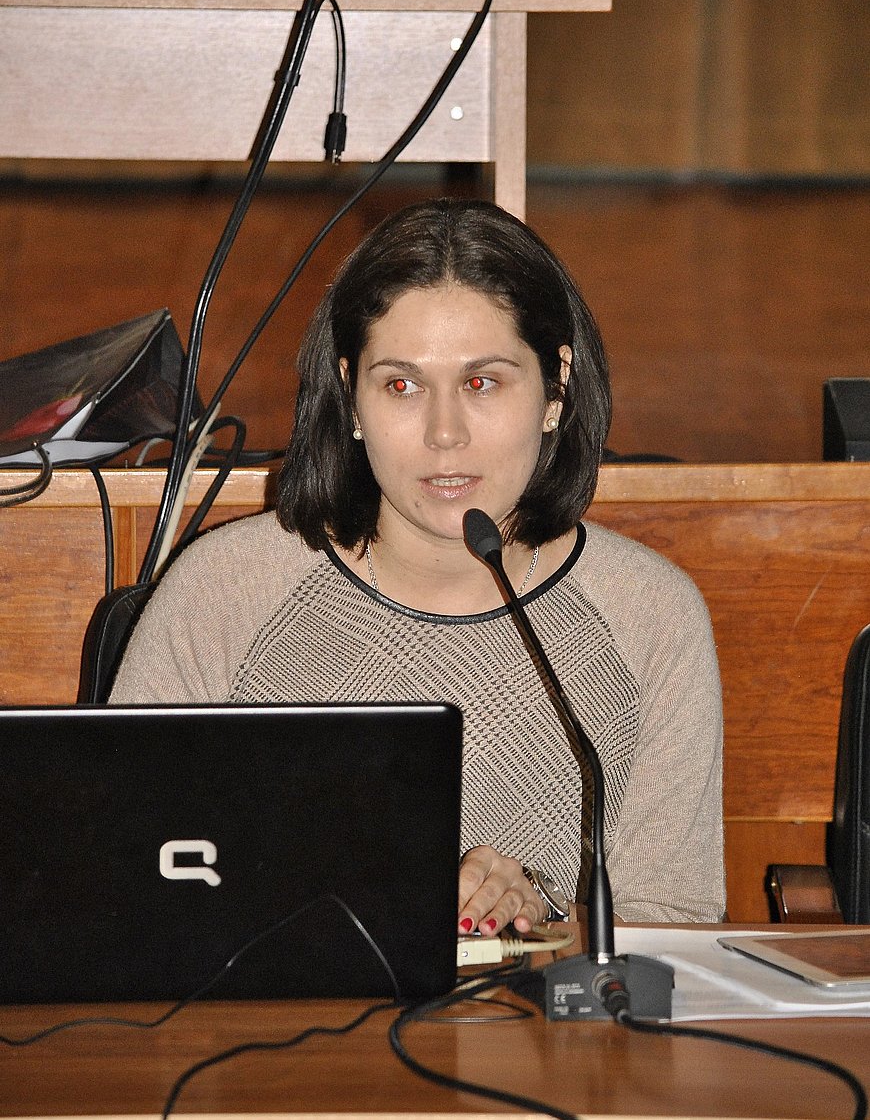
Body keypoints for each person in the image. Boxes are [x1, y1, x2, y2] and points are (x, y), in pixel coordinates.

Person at [111, 198, 725, 931]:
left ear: (556, 388)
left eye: (482, 382)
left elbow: (678, 921)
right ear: (351, 396)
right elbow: (119, 879)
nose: (444, 434)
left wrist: (543, 912)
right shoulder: (225, 593)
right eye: (401, 385)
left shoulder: (650, 616)